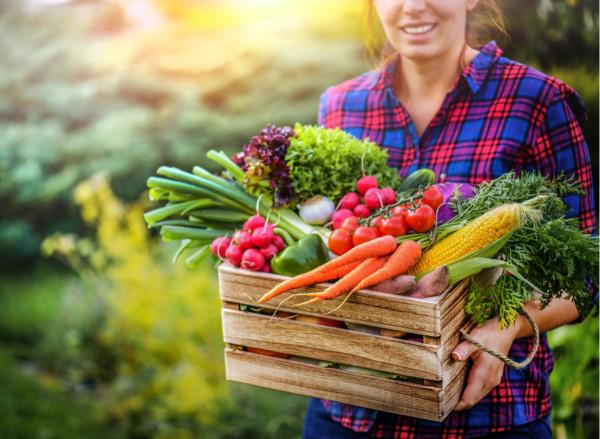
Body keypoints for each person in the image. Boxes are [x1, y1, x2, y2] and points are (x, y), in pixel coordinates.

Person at [302, 1, 596, 438]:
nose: (413, 6)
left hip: (485, 417)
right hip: (350, 412)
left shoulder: (538, 101)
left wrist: (506, 326)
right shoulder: (342, 106)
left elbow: (585, 275)